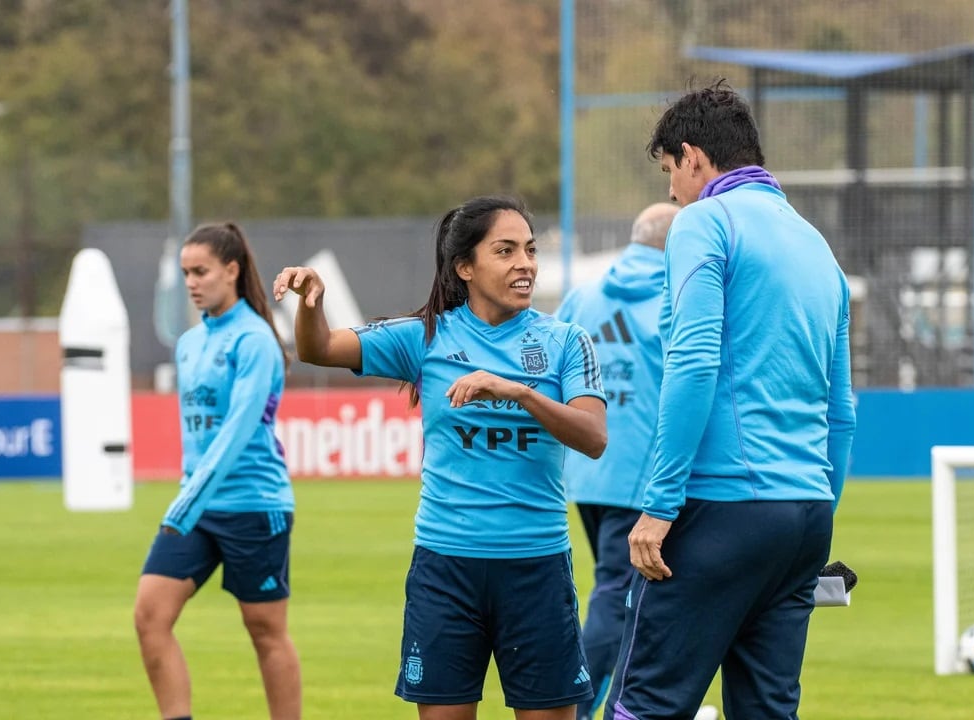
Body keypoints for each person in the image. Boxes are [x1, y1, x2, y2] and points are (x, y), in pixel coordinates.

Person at [273, 195, 608, 720]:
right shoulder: (426, 336)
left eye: (530, 250)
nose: (525, 263)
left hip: (536, 567)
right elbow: (319, 350)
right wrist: (311, 303)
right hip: (446, 568)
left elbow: (593, 437)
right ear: (465, 267)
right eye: (505, 251)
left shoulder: (567, 340)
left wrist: (518, 392)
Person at [604, 80, 857, 720]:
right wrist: (817, 514)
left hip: (723, 508)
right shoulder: (817, 245)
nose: (671, 191)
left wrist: (659, 505)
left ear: (693, 157)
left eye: (669, 170)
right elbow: (842, 411)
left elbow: (693, 363)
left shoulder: (703, 223)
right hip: (804, 517)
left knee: (642, 706)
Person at [134, 223, 301, 720]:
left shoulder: (255, 341)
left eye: (200, 271)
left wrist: (184, 504)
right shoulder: (188, 343)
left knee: (265, 631)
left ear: (231, 270)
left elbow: (235, 433)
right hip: (198, 508)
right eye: (186, 273)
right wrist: (190, 499)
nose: (191, 282)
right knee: (150, 616)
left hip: (254, 506)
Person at [553, 202, 680, 720]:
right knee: (616, 594)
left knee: (620, 591)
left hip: (585, 469)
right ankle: (578, 708)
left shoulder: (583, 297)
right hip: (644, 475)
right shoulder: (677, 298)